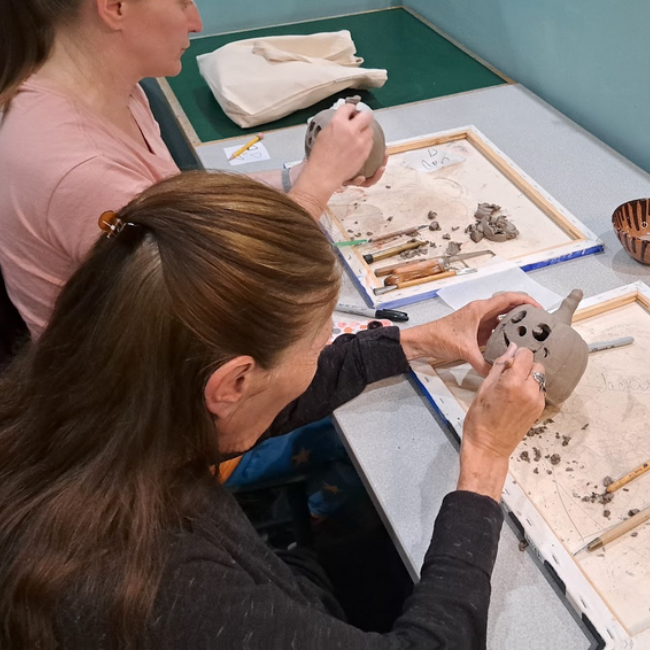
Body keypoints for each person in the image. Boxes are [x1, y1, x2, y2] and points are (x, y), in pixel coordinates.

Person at [0, 171, 545, 649]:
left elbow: (261, 398)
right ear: (233, 382)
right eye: (317, 345)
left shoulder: (90, 395)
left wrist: (420, 340)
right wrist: (485, 462)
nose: (322, 353)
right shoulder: (162, 588)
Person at [0, 0, 383, 338]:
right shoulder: (80, 168)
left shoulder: (115, 90)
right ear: (115, 7)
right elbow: (232, 295)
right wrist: (318, 182)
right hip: (134, 383)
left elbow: (177, 209)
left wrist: (296, 176)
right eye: (182, 2)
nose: (197, 23)